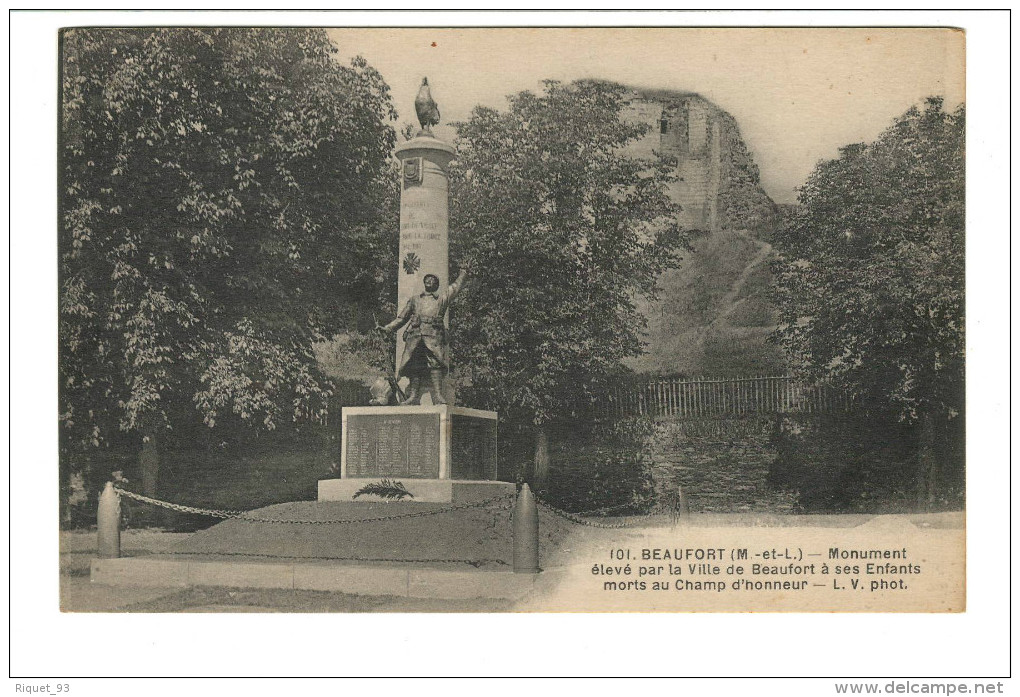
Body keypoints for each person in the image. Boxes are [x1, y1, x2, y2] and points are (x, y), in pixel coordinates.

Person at [376, 266, 469, 405]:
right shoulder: (414, 300)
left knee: (435, 363)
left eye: (433, 280)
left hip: (433, 336)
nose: (430, 281)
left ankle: (438, 395)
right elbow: (402, 318)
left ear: (437, 285)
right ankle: (413, 396)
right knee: (414, 364)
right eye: (428, 279)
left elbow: (454, 288)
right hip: (416, 336)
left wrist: (463, 272)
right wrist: (387, 328)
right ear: (424, 283)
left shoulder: (441, 299)